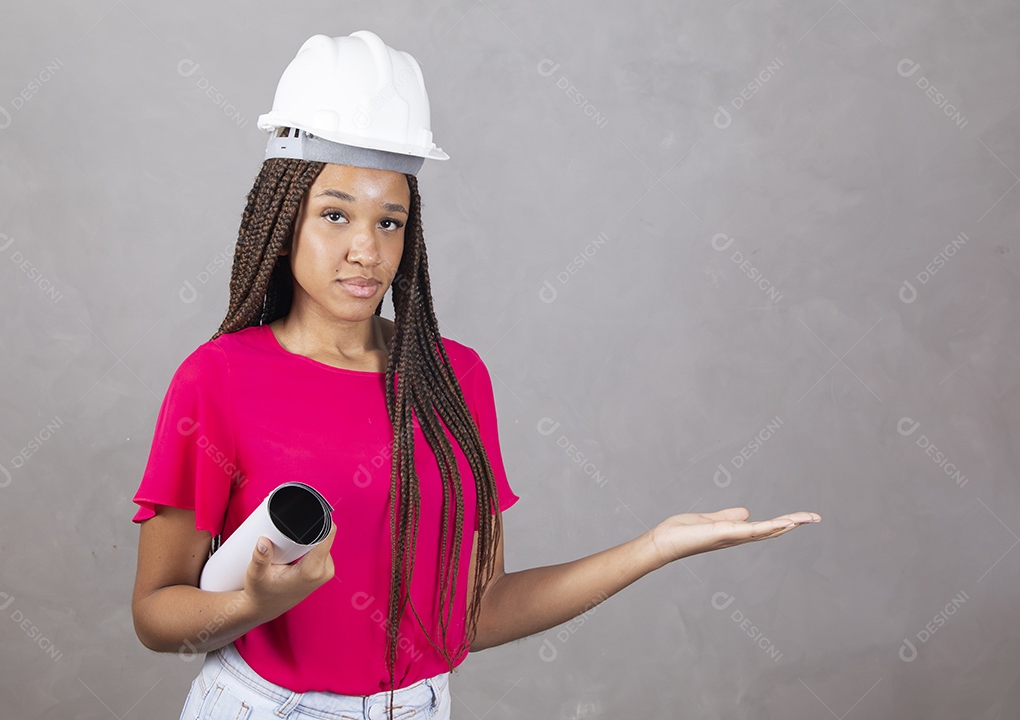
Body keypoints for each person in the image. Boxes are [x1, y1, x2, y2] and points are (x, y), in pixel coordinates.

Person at [130, 30, 821, 720]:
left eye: (391, 221)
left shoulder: (453, 379)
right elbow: (157, 616)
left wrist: (653, 548)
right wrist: (254, 604)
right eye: (334, 215)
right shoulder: (218, 379)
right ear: (282, 221)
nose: (367, 249)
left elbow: (473, 615)